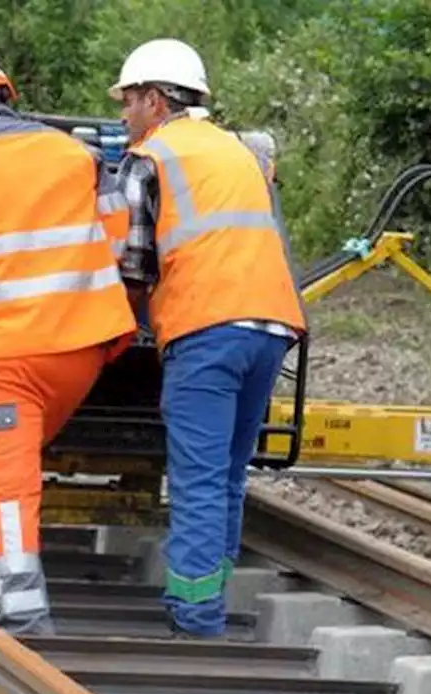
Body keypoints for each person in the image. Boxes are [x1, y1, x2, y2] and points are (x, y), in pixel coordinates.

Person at [0, 50, 138, 636]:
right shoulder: (78, 154)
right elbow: (117, 236)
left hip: (3, 352)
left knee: (11, 469)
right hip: (83, 345)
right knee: (4, 457)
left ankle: (22, 606)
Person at [107, 39, 307, 638]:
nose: (122, 116)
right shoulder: (241, 151)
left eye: (127, 102)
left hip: (207, 329)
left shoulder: (150, 158)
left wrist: (112, 331)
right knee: (226, 473)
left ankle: (196, 616)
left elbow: (136, 265)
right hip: (271, 325)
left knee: (195, 477)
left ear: (155, 99)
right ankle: (206, 595)